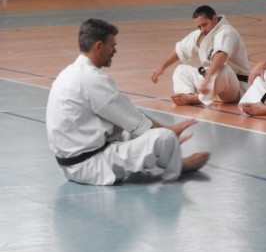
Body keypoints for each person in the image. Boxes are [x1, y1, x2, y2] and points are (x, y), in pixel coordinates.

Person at [46, 19, 210, 186]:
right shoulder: (92, 79)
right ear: (99, 46)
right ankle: (179, 165)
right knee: (163, 138)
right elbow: (141, 126)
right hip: (91, 166)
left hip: (70, 164)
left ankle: (168, 152)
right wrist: (169, 133)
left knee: (128, 128)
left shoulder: (69, 73)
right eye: (112, 45)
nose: (115, 51)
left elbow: (129, 116)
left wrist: (163, 129)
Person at [151, 5, 250, 107]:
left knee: (222, 70)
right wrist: (162, 67)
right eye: (199, 27)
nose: (202, 30)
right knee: (181, 70)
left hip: (233, 86)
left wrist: (208, 78)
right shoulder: (200, 35)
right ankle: (186, 94)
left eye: (204, 25)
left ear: (214, 19)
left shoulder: (226, 32)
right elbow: (179, 50)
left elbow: (221, 55)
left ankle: (196, 98)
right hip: (209, 82)